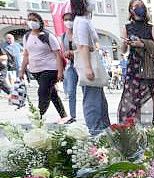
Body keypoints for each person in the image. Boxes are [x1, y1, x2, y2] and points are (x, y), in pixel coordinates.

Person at [118, 0, 154, 126]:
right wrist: (125, 42)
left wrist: (142, 44)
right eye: (136, 6)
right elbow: (123, 51)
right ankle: (135, 124)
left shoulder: (151, 27)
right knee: (133, 96)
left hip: (148, 64)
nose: (140, 8)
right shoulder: (127, 27)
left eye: (141, 5)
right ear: (131, 10)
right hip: (134, 64)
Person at [72, 0, 111, 134]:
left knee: (99, 100)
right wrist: (88, 68)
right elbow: (83, 46)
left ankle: (104, 129)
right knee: (92, 100)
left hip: (90, 60)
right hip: (88, 63)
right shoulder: (81, 22)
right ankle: (96, 131)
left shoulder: (84, 20)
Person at [19, 12, 67, 122]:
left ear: (40, 22)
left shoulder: (47, 36)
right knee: (52, 93)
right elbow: (26, 54)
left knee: (43, 92)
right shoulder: (27, 36)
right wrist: (22, 70)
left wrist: (60, 72)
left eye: (34, 20)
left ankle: (38, 117)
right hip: (36, 70)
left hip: (50, 69)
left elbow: (58, 55)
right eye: (29, 19)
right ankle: (63, 115)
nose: (31, 22)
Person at [61, 12, 78, 123]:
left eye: (70, 19)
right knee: (71, 91)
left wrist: (74, 52)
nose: (68, 22)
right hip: (71, 65)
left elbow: (88, 48)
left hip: (82, 64)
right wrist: (66, 54)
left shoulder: (79, 33)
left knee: (87, 90)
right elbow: (63, 51)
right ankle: (73, 116)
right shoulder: (63, 36)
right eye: (66, 19)